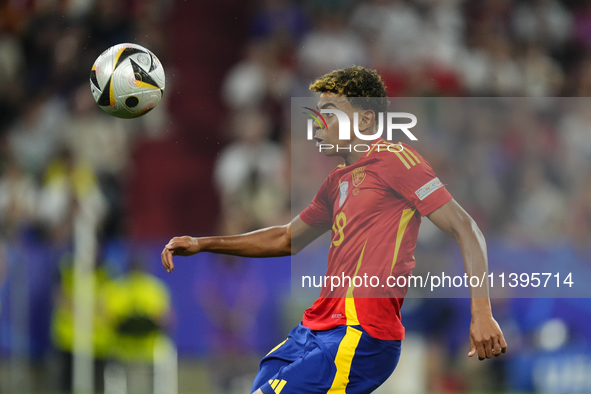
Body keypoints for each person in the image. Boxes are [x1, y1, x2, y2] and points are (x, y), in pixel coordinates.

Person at [161, 65, 507, 394]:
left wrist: (482, 312)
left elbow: (466, 228)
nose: (319, 123)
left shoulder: (396, 159)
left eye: (331, 112)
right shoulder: (335, 182)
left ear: (367, 119)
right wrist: (202, 243)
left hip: (362, 334)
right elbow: (285, 238)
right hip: (315, 329)